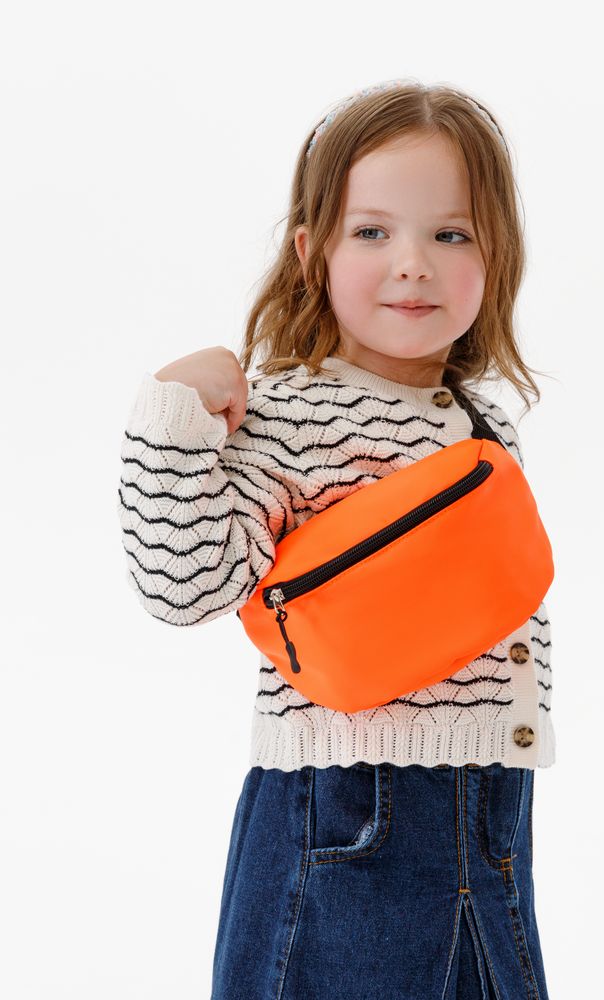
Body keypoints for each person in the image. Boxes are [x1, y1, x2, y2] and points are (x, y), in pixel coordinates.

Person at [117, 77, 556, 1000]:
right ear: (311, 251)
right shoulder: (287, 412)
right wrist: (173, 415)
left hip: (492, 812)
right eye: (372, 232)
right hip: (346, 809)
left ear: (498, 254)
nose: (413, 264)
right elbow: (183, 587)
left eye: (452, 234)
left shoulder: (483, 423)